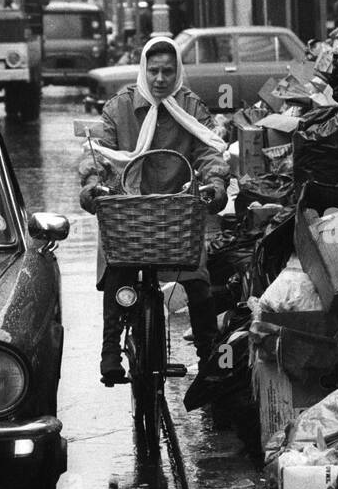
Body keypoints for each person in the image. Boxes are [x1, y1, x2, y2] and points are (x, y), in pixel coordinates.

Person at [78, 35, 230, 385]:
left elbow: (209, 153)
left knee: (198, 283)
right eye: (154, 71)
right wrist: (93, 185)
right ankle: (110, 352)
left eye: (167, 71)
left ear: (177, 72)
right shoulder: (119, 107)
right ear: (143, 71)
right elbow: (98, 153)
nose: (160, 79)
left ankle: (209, 357)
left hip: (176, 212)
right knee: (119, 273)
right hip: (129, 212)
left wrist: (215, 183)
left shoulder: (191, 107)